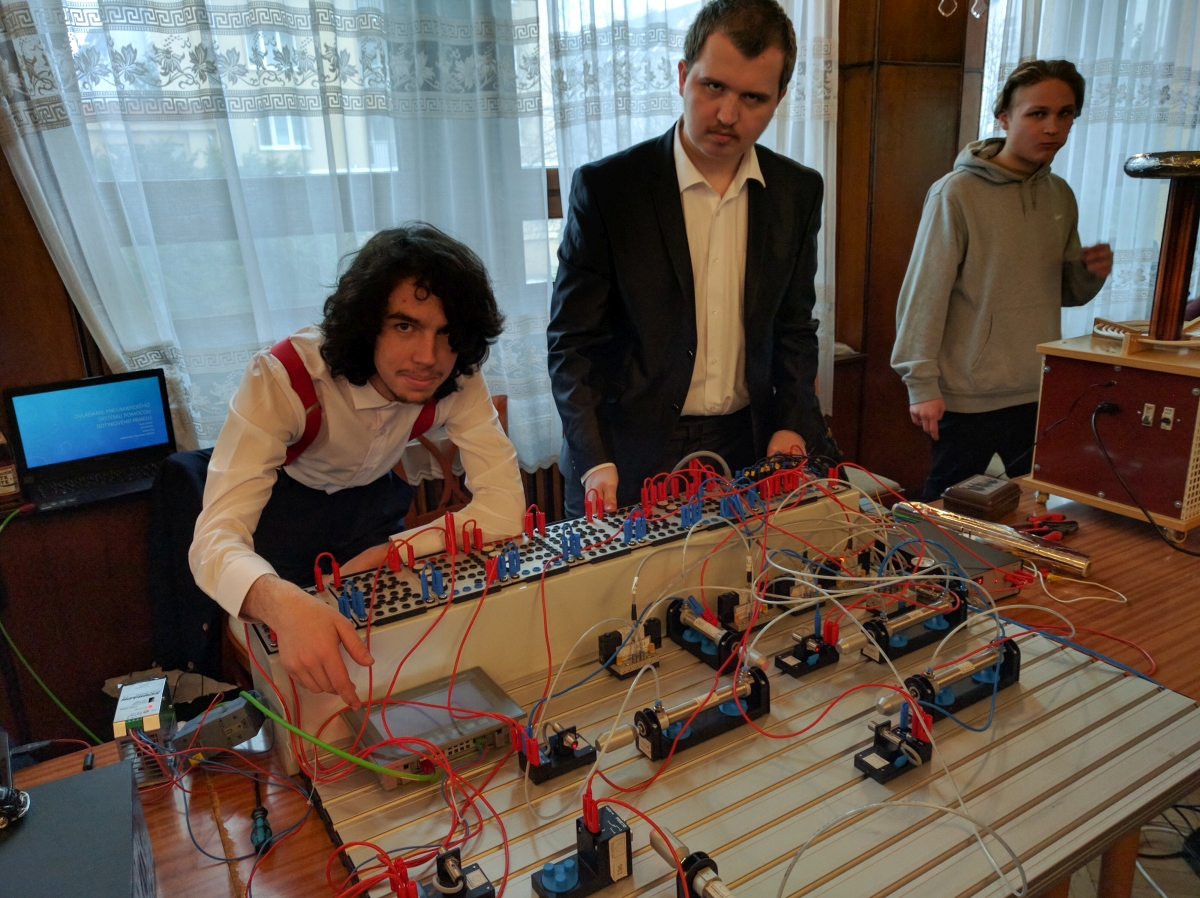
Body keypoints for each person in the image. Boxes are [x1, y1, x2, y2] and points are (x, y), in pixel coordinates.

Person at [189, 224, 525, 708]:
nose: (428, 357)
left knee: (398, 669)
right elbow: (213, 541)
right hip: (283, 520)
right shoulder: (283, 377)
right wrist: (281, 602)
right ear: (367, 323)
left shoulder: (456, 374)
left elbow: (505, 510)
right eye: (405, 326)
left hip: (373, 512)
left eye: (447, 334)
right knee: (307, 690)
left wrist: (399, 549)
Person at [547, 0, 834, 518]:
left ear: (779, 98)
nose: (727, 115)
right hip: (624, 453)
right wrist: (593, 458)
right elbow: (572, 342)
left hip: (748, 444)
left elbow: (794, 327)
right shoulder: (608, 188)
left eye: (753, 97)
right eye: (713, 86)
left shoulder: (797, 191)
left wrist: (792, 423)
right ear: (683, 76)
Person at [891, 59, 1113, 501]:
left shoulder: (1060, 195)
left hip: (1037, 390)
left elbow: (1064, 294)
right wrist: (921, 385)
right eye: (1037, 113)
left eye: (1065, 114)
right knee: (948, 509)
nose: (1052, 127)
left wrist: (1088, 275)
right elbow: (924, 294)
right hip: (966, 396)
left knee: (1027, 508)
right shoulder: (956, 193)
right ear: (1005, 117)